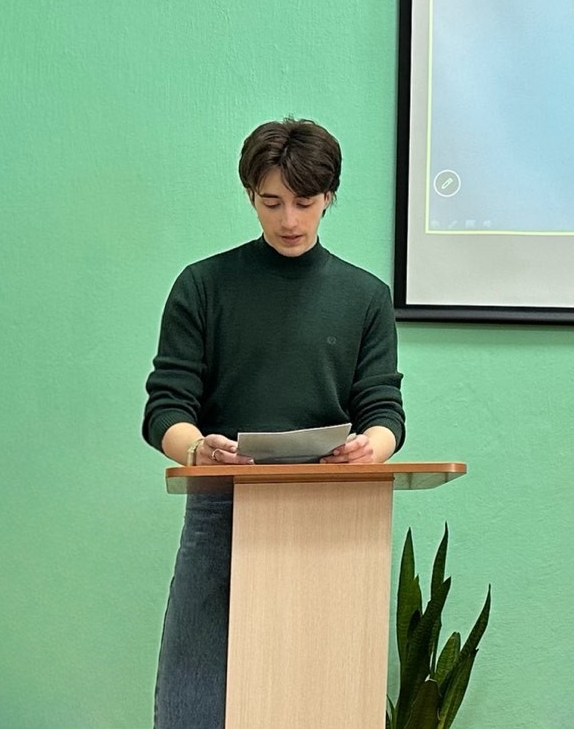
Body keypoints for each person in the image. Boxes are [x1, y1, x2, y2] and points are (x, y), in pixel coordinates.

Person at [141, 118, 406, 729]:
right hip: (223, 505)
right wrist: (198, 450)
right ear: (250, 195)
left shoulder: (365, 296)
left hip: (332, 511)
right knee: (195, 694)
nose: (289, 220)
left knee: (322, 694)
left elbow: (383, 410)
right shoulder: (204, 286)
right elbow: (165, 409)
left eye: (305, 202)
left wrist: (372, 447)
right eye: (272, 202)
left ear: (329, 196)